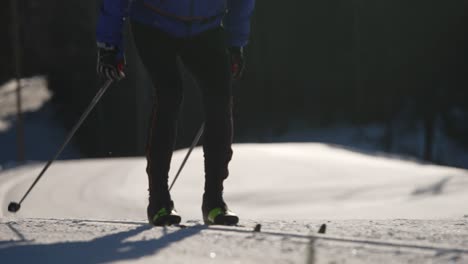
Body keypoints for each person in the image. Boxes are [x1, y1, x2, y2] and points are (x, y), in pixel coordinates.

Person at [95, 0, 255, 226]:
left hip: (205, 27)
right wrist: (109, 45)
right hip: (153, 22)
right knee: (169, 93)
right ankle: (159, 202)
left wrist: (235, 42)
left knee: (220, 97)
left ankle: (214, 202)